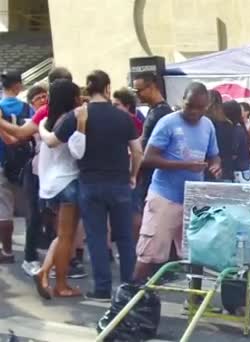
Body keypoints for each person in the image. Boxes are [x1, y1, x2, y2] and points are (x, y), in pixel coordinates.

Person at [50, 70, 143, 301]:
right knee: (124, 238)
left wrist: (41, 127)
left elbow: (52, 141)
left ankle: (101, 288)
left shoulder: (77, 115)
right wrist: (133, 175)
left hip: (90, 184)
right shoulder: (123, 116)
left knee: (96, 237)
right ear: (107, 88)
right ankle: (129, 288)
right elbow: (137, 150)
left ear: (87, 89)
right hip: (120, 183)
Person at [132, 82, 221, 282]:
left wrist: (215, 165)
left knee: (194, 253)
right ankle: (130, 298)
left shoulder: (208, 125)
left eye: (200, 108)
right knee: (149, 251)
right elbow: (148, 159)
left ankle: (195, 299)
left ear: (207, 107)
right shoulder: (168, 122)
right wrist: (184, 165)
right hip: (165, 196)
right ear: (182, 101)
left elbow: (215, 155)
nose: (194, 112)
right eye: (190, 106)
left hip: (192, 198)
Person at [0, 67, 82, 275]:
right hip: (55, 177)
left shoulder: (49, 115)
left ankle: (53, 267)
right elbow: (22, 136)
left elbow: (21, 135)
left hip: (49, 178)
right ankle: (50, 268)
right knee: (55, 227)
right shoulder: (69, 114)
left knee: (56, 227)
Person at [34, 80, 85, 298]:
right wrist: (82, 125)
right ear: (72, 98)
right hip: (69, 181)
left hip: (51, 184)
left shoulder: (46, 121)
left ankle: (44, 272)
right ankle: (61, 284)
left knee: (62, 235)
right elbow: (77, 150)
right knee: (67, 236)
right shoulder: (72, 120)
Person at [0, 71, 34, 263]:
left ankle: (7, 251)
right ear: (18, 86)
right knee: (30, 209)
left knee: (3, 209)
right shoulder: (27, 108)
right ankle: (31, 252)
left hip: (1, 161)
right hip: (24, 163)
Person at [132, 72, 173, 216]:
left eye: (139, 90)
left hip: (154, 174)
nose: (137, 95)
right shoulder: (154, 110)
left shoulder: (161, 113)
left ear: (152, 87)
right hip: (149, 171)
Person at [223, 100, 250, 181]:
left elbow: (233, 152)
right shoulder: (241, 128)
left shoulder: (236, 130)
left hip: (238, 173)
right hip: (243, 172)